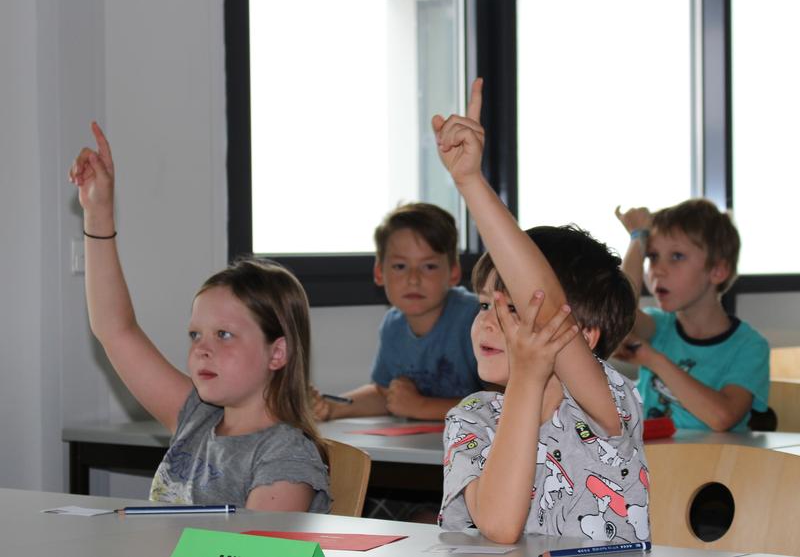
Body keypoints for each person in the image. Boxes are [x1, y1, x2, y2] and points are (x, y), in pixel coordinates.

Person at [69, 122, 330, 512]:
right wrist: (97, 215)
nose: (202, 350)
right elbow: (114, 329)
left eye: (224, 334)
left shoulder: (285, 459)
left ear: (277, 353)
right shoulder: (197, 417)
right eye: (195, 335)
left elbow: (254, 550)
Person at [433, 79, 649, 544]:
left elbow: (547, 303)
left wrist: (471, 184)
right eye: (484, 304)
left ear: (583, 337)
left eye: (511, 307)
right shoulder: (472, 418)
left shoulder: (606, 404)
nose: (488, 321)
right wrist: (527, 381)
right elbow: (499, 525)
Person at [312, 203, 482, 422]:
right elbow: (385, 395)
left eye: (429, 266)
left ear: (454, 272)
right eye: (400, 266)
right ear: (379, 272)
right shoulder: (393, 326)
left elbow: (503, 403)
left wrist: (421, 406)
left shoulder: (476, 318)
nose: (413, 279)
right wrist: (331, 407)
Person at [614, 199, 769, 431]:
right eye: (653, 256)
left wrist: (654, 359)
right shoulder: (657, 326)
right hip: (654, 463)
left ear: (717, 271)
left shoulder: (749, 346)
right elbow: (618, 311)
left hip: (717, 465)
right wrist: (638, 238)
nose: (658, 270)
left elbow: (722, 417)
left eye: (676, 256)